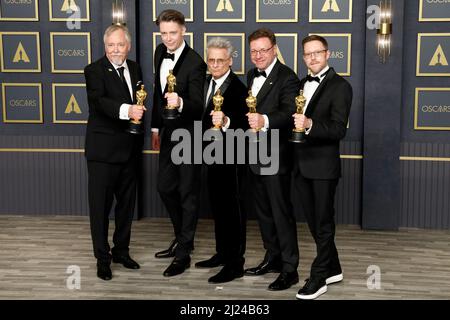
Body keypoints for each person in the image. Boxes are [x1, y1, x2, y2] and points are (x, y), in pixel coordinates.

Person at [293, 35, 352, 300]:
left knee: (324, 223)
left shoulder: (341, 87)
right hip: (301, 164)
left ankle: (318, 278)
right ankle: (333, 268)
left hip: (324, 167)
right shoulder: (302, 84)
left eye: (317, 53)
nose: (312, 58)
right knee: (316, 224)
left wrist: (310, 125)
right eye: (308, 54)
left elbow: (339, 130)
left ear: (328, 54)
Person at [84, 24, 144, 281]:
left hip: (130, 149)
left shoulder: (135, 68)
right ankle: (102, 258)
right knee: (100, 209)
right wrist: (128, 110)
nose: (116, 50)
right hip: (103, 152)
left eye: (120, 45)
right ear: (105, 46)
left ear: (128, 46)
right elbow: (100, 102)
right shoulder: (94, 70)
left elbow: (140, 100)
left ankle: (121, 251)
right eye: (111, 45)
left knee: (126, 207)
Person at [243, 28, 300, 291]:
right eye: (253, 51)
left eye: (263, 50)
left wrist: (264, 120)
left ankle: (290, 269)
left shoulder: (288, 77)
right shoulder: (251, 74)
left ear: (274, 49)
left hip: (276, 156)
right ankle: (273, 257)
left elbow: (289, 113)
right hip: (254, 154)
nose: (258, 56)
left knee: (280, 212)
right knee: (264, 213)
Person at [151, 9, 206, 277]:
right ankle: (183, 237)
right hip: (168, 133)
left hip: (190, 135)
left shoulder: (196, 62)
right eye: (163, 33)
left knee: (188, 194)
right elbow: (155, 91)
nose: (168, 38)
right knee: (164, 187)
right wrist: (154, 126)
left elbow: (199, 107)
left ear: (183, 30)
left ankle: (183, 254)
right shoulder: (159, 53)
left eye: (173, 33)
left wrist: (181, 102)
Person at [194, 37, 248, 283]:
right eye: (211, 60)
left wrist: (225, 121)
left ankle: (235, 263)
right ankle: (222, 253)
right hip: (211, 155)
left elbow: (245, 123)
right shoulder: (206, 82)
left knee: (232, 211)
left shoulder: (238, 88)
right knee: (217, 206)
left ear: (230, 61)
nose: (215, 65)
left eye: (220, 60)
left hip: (232, 157)